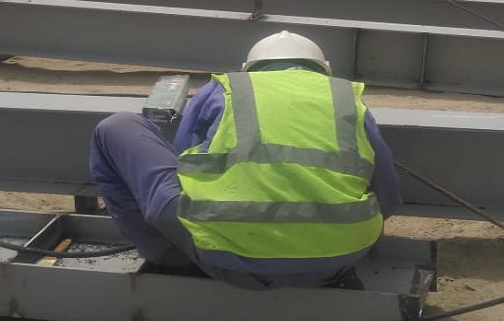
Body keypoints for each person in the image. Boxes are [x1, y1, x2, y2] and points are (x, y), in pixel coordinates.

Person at [89, 30, 402, 291]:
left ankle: (168, 255)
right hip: (339, 259)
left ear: (249, 68)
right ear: (323, 70)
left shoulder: (224, 88)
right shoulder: (347, 99)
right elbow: (388, 198)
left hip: (223, 260)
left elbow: (184, 165)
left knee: (116, 127)